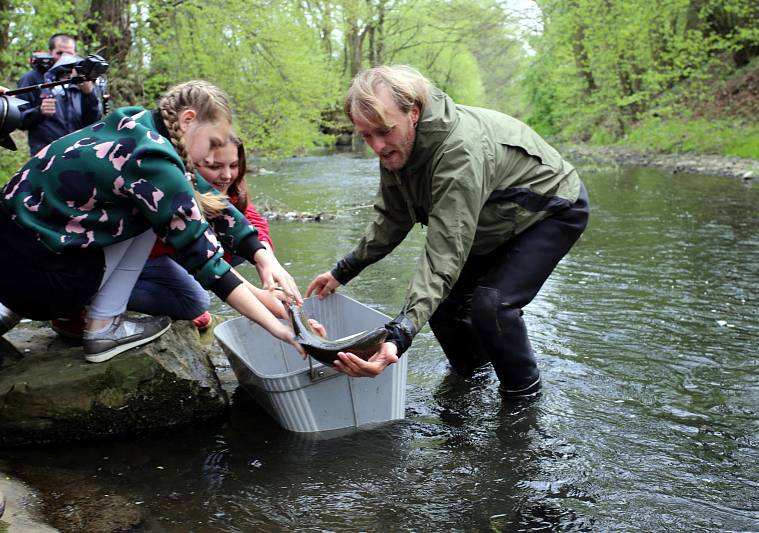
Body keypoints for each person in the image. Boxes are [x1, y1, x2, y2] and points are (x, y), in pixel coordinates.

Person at [306, 65, 590, 399]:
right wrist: (345, 269)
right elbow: (392, 218)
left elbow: (444, 252)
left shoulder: (459, 153)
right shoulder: (399, 149)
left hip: (551, 210)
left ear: (413, 112)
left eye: (383, 131)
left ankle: (523, 401)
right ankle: (472, 378)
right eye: (366, 135)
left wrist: (398, 335)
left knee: (492, 306)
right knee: (442, 307)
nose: (378, 146)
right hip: (491, 219)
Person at [0, 80, 306, 363]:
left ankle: (7, 312)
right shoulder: (152, 159)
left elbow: (211, 202)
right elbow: (203, 259)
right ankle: (104, 326)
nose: (211, 154)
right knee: (146, 218)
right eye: (213, 142)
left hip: (10, 268)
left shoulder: (133, 124)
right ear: (188, 120)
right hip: (44, 285)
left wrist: (263, 257)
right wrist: (275, 327)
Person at [126, 134, 299, 330]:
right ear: (191, 166)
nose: (226, 175)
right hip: (141, 258)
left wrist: (270, 269)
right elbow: (204, 256)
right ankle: (97, 299)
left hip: (184, 257)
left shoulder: (227, 189)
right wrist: (259, 297)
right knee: (195, 302)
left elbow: (253, 222)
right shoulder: (174, 195)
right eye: (215, 167)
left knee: (243, 246)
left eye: (233, 166)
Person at [16, 33, 102, 155]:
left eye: (69, 54)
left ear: (75, 54)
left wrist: (89, 94)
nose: (64, 58)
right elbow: (18, 120)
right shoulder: (32, 78)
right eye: (59, 53)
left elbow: (94, 123)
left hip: (79, 153)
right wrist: (39, 112)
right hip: (45, 156)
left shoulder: (81, 79)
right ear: (50, 52)